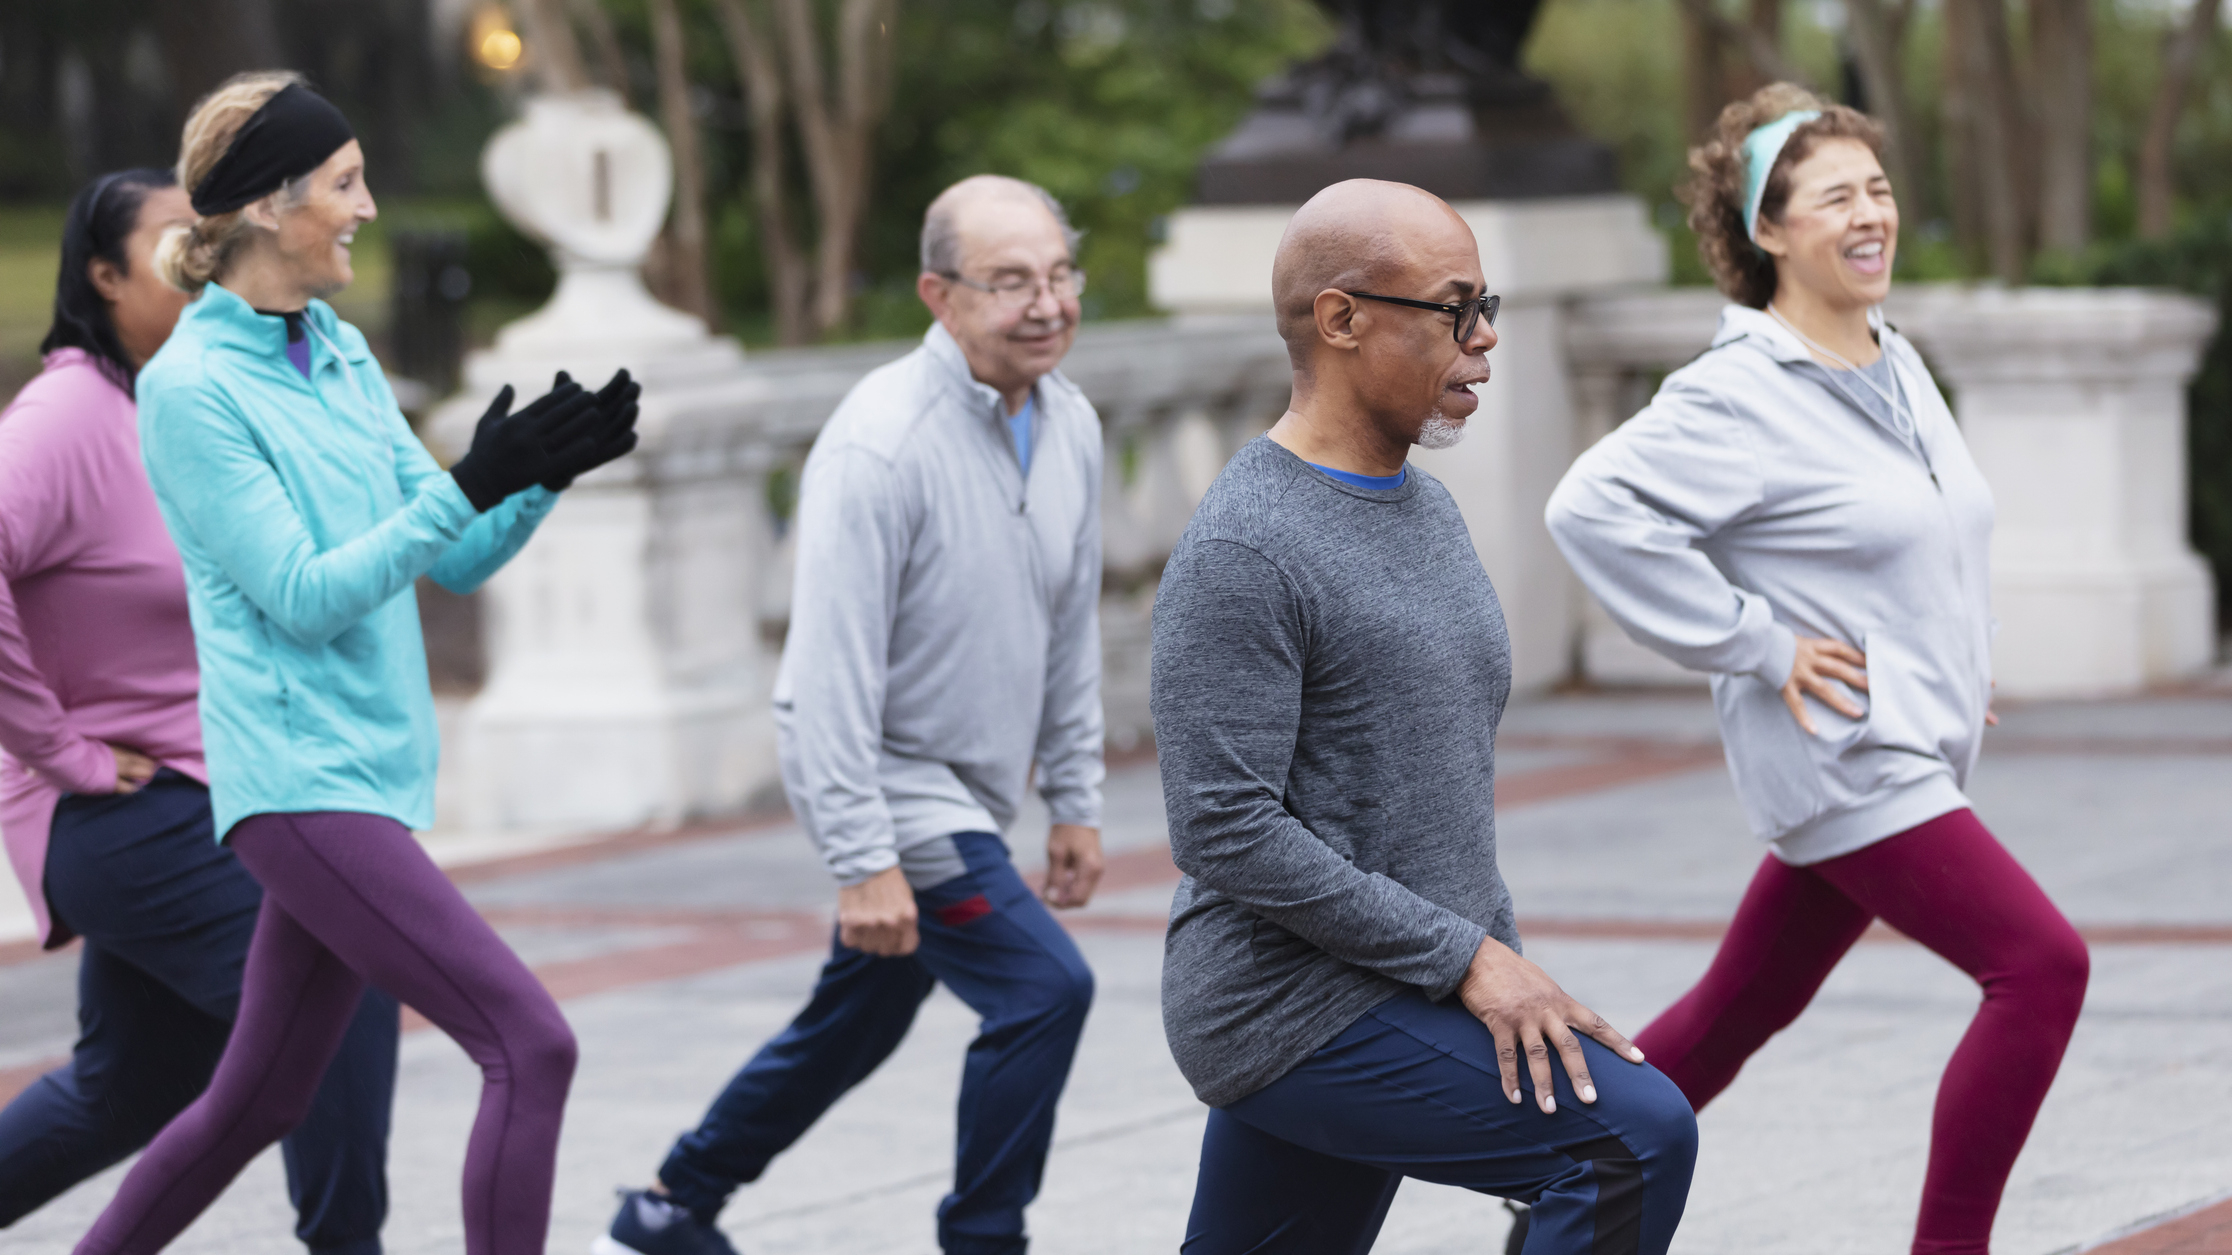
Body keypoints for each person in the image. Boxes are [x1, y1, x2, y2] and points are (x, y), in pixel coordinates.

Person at [74, 72, 638, 1256]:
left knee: (256, 1100)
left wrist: (535, 472)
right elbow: (304, 595)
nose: (368, 208)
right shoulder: (191, 388)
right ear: (270, 207)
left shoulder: (334, 346)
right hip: (299, 778)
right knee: (529, 1042)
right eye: (345, 183)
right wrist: (467, 486)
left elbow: (457, 557)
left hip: (368, 770)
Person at [1544, 84, 2089, 1255]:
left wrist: (1946, 658)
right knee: (2041, 967)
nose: (1869, 213)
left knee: (1743, 1008)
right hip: (1849, 754)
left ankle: (1565, 1182)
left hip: (1901, 735)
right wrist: (1756, 640)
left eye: (1878, 189)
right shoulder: (1738, 392)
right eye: (1835, 195)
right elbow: (1588, 506)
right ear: (1769, 230)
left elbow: (1923, 536)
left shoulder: (1893, 359)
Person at [1152, 178, 1698, 1256]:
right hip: (1289, 1005)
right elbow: (1223, 826)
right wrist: (1471, 961)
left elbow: (1434, 784)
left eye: (1485, 303)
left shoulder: (1427, 509)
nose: (1487, 337)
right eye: (1455, 308)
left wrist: (1498, 955)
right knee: (1631, 1140)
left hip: (1403, 975)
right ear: (1342, 319)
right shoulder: (1242, 549)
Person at [599, 175, 1104, 1256]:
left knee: (855, 1021)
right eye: (1011, 280)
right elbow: (823, 675)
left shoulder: (1072, 423)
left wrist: (1075, 797)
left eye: (1061, 275)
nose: (1048, 303)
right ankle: (984, 1238)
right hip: (903, 799)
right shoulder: (880, 441)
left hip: (976, 793)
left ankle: (669, 1205)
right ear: (939, 294)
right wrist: (861, 853)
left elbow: (1070, 625)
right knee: (1046, 988)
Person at [0, 167, 398, 1255]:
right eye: (176, 240)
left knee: (128, 1085)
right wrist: (58, 749)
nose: (203, 257)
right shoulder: (67, 415)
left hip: (218, 785)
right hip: (126, 812)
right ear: (99, 272)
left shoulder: (193, 394)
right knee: (342, 978)